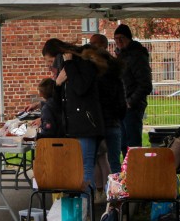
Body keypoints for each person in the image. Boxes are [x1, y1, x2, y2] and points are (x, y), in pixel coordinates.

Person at [41, 38, 106, 189]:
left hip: (86, 125)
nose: (50, 66)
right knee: (79, 168)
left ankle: (86, 206)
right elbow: (57, 101)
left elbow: (81, 88)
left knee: (85, 167)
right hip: (73, 127)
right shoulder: (65, 68)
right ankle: (83, 205)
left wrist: (69, 65)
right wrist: (57, 83)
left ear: (59, 55)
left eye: (50, 61)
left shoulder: (82, 63)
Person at [89, 34, 126, 173]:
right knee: (114, 162)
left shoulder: (91, 75)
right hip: (113, 122)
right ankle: (114, 193)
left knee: (94, 161)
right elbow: (122, 102)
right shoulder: (115, 74)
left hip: (97, 124)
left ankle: (98, 192)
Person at [113, 24, 153, 155]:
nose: (118, 42)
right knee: (124, 144)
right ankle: (128, 172)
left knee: (132, 145)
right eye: (116, 39)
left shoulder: (137, 55)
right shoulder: (121, 55)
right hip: (123, 106)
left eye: (121, 38)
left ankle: (135, 172)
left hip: (132, 106)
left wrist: (130, 102)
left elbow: (145, 84)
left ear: (128, 38)